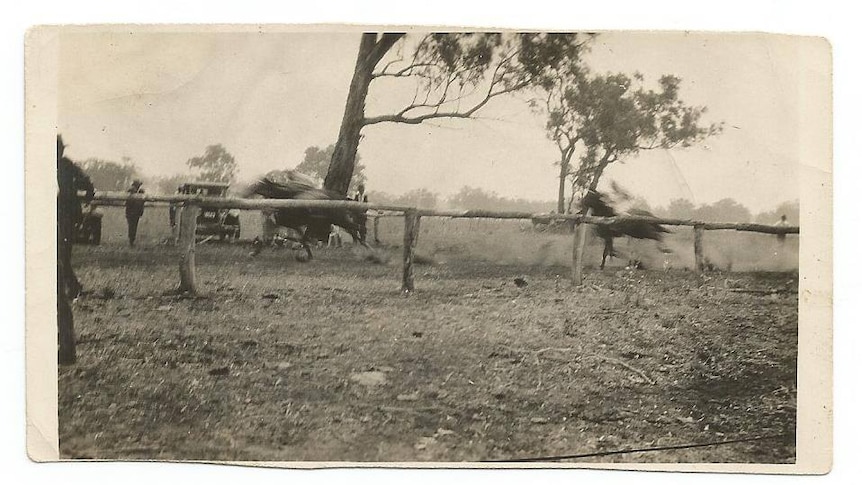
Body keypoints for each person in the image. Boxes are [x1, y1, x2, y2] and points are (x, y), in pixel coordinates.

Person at [57, 134, 94, 364]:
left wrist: (89, 194)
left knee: (62, 263)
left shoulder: (67, 166)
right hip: (54, 222)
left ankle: (67, 348)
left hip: (63, 222)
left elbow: (86, 183)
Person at [125, 180, 146, 246]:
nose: (139, 186)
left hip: (132, 212)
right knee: (133, 226)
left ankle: (131, 240)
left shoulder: (134, 191)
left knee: (132, 226)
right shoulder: (132, 191)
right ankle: (131, 241)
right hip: (133, 212)